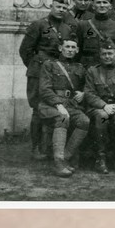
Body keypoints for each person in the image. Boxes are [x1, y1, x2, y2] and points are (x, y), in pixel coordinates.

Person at [18, 0, 78, 160]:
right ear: (51, 6)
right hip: (38, 72)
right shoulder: (38, 24)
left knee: (54, 107)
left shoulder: (67, 28)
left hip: (58, 72)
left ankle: (51, 146)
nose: (61, 10)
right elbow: (25, 50)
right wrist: (37, 66)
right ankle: (37, 147)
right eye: (58, 6)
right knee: (38, 109)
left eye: (64, 8)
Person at [37, 35, 90, 177]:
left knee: (84, 121)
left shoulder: (80, 68)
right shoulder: (49, 65)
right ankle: (59, 162)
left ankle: (65, 157)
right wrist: (58, 104)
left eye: (73, 47)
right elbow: (44, 89)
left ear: (77, 50)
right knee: (62, 118)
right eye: (67, 47)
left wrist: (83, 93)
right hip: (50, 105)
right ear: (61, 48)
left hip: (71, 105)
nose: (70, 50)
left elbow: (88, 86)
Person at [83, 39, 115, 174]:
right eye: (104, 54)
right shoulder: (92, 71)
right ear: (100, 55)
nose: (107, 56)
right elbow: (89, 93)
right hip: (98, 107)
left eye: (110, 53)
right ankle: (101, 158)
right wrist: (104, 105)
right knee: (102, 116)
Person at [75, 0, 115, 67]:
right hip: (88, 67)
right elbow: (78, 50)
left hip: (110, 67)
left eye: (105, 2)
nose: (102, 5)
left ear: (110, 6)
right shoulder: (83, 25)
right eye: (98, 3)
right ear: (93, 6)